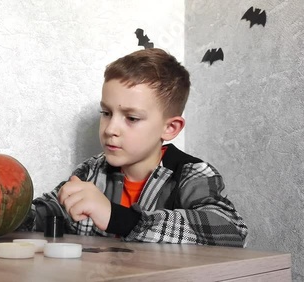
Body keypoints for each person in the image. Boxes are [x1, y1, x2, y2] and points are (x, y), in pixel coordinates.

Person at [18, 48, 248, 247]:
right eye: (106, 113)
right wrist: (5, 210)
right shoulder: (91, 172)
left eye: (132, 118)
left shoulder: (191, 173)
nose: (110, 129)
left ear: (170, 128)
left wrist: (116, 217)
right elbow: (47, 213)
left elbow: (232, 231)